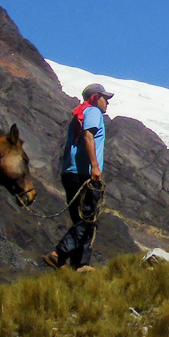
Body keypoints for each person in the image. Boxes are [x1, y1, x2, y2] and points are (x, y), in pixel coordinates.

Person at [44, 82, 111, 272]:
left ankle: (81, 266)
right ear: (95, 97)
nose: (107, 103)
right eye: (105, 98)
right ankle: (59, 253)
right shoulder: (93, 113)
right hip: (83, 173)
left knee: (82, 221)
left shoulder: (79, 114)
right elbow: (88, 137)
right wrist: (95, 167)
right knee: (88, 219)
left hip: (70, 172)